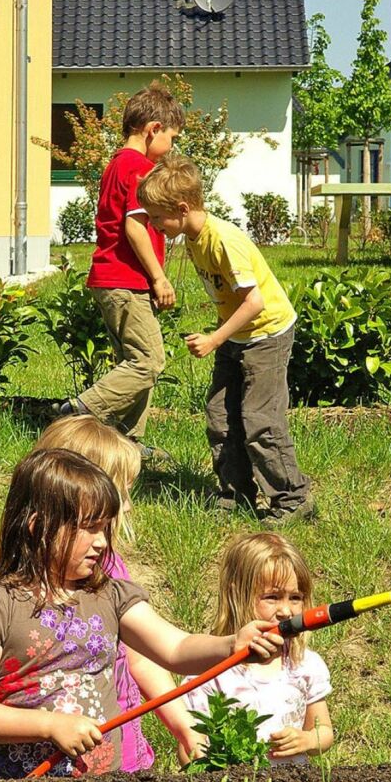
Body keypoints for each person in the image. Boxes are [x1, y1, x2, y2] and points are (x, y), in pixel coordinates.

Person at [0, 448, 281, 778]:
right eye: (89, 527)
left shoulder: (109, 595)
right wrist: (49, 725)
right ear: (37, 527)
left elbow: (176, 649)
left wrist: (232, 645)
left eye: (104, 528)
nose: (102, 542)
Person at [0, 415, 201, 769]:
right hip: (34, 767)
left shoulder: (106, 576)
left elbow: (150, 654)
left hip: (116, 747)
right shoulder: (1, 596)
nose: (126, 505)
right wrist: (49, 725)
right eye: (118, 490)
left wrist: (182, 723)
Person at [137, 154, 312, 525]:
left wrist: (215, 339)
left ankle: (293, 498)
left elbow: (255, 301)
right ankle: (236, 494)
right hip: (237, 336)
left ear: (181, 209)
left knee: (260, 419)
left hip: (267, 334)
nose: (154, 225)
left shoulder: (224, 241)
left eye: (156, 217)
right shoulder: (192, 237)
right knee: (220, 416)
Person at [56, 83, 184, 460]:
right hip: (124, 280)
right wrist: (159, 277)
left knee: (135, 360)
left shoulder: (117, 163)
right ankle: (78, 412)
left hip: (113, 280)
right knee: (149, 361)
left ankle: (127, 444)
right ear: (153, 129)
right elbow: (134, 226)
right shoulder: (139, 168)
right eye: (171, 138)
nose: (172, 147)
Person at [183, 533, 334, 764]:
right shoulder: (211, 671)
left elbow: (324, 730)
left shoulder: (304, 664)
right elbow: (191, 744)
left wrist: (307, 740)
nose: (286, 611)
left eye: (295, 598)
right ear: (237, 594)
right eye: (272, 597)